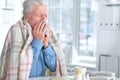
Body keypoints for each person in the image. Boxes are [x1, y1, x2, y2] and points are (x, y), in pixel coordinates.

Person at [0, 0, 67, 79]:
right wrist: (37, 42)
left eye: (45, 16)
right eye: (40, 15)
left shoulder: (48, 32)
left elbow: (53, 67)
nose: (44, 20)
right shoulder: (16, 30)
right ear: (26, 17)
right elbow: (22, 71)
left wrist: (46, 45)